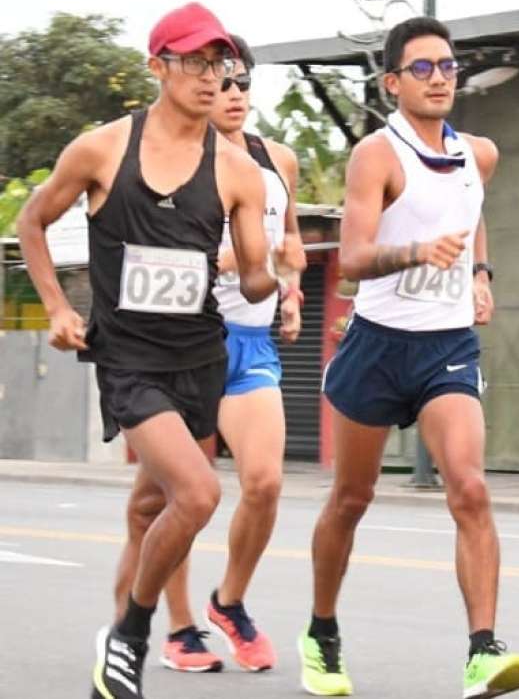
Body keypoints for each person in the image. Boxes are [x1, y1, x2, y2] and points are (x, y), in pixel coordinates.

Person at [16, 2, 278, 699]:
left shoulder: (237, 170)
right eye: (192, 62)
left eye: (218, 64)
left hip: (201, 358)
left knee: (147, 507)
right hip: (129, 360)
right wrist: (61, 307)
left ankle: (134, 618)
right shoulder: (102, 149)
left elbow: (253, 272)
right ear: (157, 66)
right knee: (196, 495)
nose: (209, 77)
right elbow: (32, 221)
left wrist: (268, 273)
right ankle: (130, 635)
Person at [301, 16, 519, 698]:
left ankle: (483, 651)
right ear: (393, 82)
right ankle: (321, 634)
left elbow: (472, 208)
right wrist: (417, 253)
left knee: (470, 487)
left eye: (449, 66)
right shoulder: (377, 155)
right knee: (351, 497)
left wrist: (481, 274)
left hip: (446, 348)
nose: (439, 78)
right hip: (377, 345)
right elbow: (353, 260)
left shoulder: (477, 154)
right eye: (423, 68)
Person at [154, 34, 307, 674]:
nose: (235, 93)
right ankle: (181, 626)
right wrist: (239, 259)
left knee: (265, 482)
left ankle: (230, 602)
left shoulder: (278, 161)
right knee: (181, 497)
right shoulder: (170, 165)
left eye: (244, 82)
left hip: (249, 342)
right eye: (222, 81)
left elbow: (289, 235)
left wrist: (292, 290)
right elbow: (159, 257)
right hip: (185, 342)